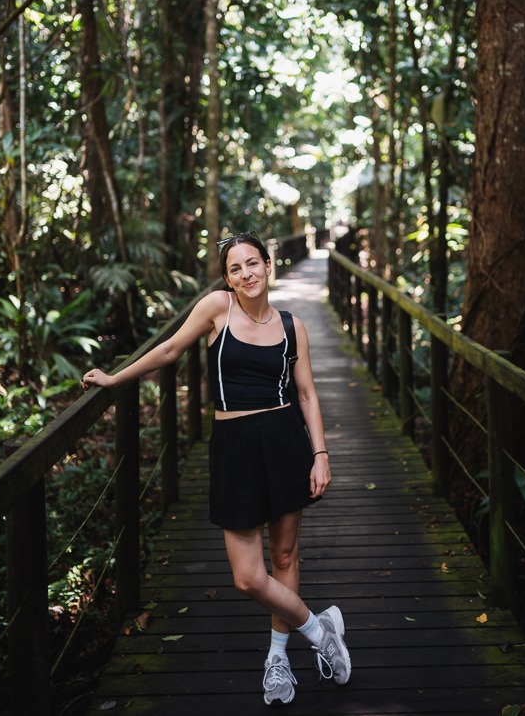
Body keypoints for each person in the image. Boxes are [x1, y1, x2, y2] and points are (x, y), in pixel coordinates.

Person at [82, 230, 351, 706]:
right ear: (226, 277)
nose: (246, 274)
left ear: (269, 266)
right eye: (235, 268)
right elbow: (169, 350)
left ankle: (277, 658)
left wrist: (321, 453)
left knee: (285, 559)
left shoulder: (293, 327)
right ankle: (319, 627)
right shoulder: (216, 309)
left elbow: (306, 394)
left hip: (286, 444)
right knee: (248, 577)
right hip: (233, 448)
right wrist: (116, 378)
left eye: (253, 263)